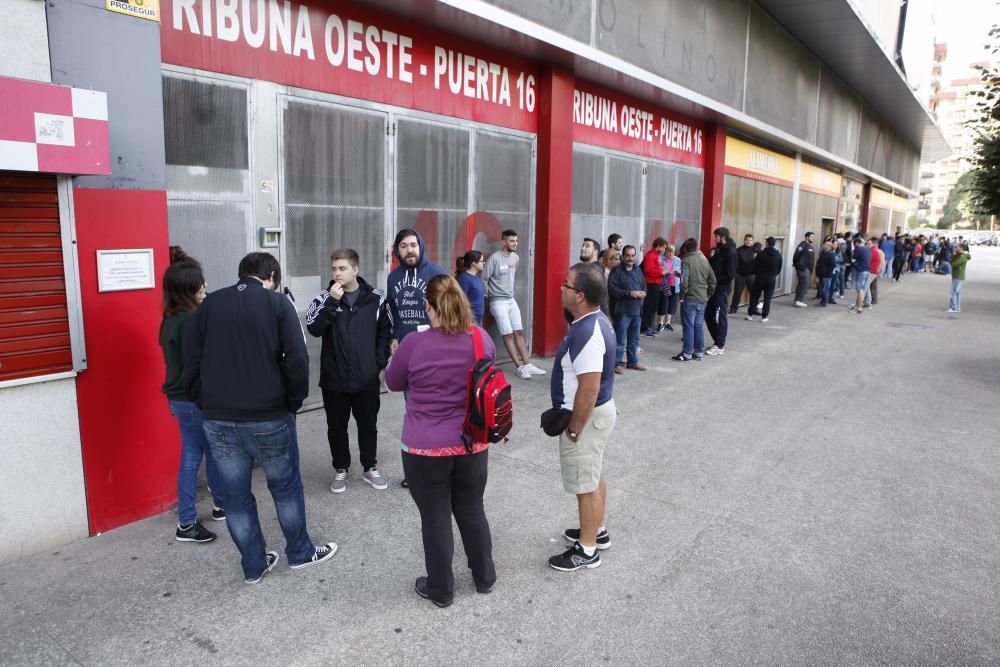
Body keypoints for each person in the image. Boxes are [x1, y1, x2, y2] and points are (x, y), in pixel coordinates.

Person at [184, 252, 336, 584]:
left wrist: (204, 402)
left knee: (236, 498)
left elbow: (192, 361)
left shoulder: (209, 306)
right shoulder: (277, 305)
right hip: (270, 415)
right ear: (271, 276)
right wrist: (292, 403)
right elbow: (297, 359)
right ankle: (300, 553)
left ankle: (254, 565)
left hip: (219, 418)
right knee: (285, 488)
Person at [384, 275, 497, 606]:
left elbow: (392, 381)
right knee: (472, 508)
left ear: (428, 307)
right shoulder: (480, 338)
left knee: (435, 516)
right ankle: (484, 577)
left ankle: (441, 591)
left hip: (425, 447)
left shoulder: (413, 344)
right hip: (472, 443)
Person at [306, 248, 393, 494]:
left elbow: (385, 333)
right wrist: (332, 302)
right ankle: (341, 469)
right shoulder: (325, 297)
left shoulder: (376, 298)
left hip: (366, 379)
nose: (337, 273)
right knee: (336, 427)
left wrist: (376, 364)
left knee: (368, 424)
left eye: (342, 268)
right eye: (334, 268)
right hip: (334, 379)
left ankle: (370, 466)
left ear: (355, 269)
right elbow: (314, 328)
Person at [549, 262, 617, 571]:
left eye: (565, 284)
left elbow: (589, 390)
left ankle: (587, 550)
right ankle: (596, 530)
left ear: (580, 295)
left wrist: (575, 428)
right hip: (595, 415)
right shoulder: (591, 321)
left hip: (587, 417)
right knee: (592, 474)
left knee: (586, 484)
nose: (560, 288)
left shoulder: (589, 331)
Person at [159, 248, 224, 544]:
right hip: (192, 399)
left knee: (207, 452)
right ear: (187, 289)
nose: (205, 287)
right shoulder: (188, 322)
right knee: (192, 458)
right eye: (200, 284)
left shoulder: (171, 318)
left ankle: (221, 504)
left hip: (181, 399)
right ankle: (186, 522)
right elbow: (199, 364)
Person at [387, 228, 449, 488]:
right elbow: (392, 310)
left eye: (413, 244)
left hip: (435, 354)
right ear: (397, 251)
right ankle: (416, 471)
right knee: (414, 411)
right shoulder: (393, 278)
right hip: (407, 355)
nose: (409, 250)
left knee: (439, 410)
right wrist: (392, 336)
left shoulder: (436, 273)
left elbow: (449, 311)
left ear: (421, 246)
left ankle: (442, 468)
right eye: (403, 246)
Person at [483, 229, 545, 380]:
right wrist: (487, 297)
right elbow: (484, 278)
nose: (515, 244)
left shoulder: (515, 258)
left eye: (516, 241)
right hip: (498, 301)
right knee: (508, 334)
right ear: (504, 241)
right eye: (512, 241)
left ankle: (527, 363)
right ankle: (520, 367)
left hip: (511, 300)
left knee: (519, 332)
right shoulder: (495, 259)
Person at [673, 237, 716, 361]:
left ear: (686, 249)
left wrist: (682, 296)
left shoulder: (685, 260)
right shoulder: (704, 260)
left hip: (690, 298)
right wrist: (708, 295)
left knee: (688, 326)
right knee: (698, 326)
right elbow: (713, 280)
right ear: (697, 247)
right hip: (702, 299)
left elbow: (684, 281)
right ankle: (698, 352)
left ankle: (687, 353)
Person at [606, 245, 646, 374]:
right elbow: (613, 290)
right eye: (628, 255)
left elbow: (644, 286)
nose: (630, 258)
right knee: (619, 340)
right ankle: (616, 363)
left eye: (633, 255)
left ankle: (632, 362)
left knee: (634, 339)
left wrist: (644, 293)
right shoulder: (616, 271)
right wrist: (630, 293)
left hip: (637, 311)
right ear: (623, 256)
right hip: (622, 311)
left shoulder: (638, 270)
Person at [705, 227, 735, 356]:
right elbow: (712, 266)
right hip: (713, 289)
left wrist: (714, 279)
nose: (714, 239)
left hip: (722, 289)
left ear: (722, 237)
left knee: (719, 316)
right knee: (708, 315)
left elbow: (729, 274)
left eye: (716, 237)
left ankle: (720, 345)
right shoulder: (719, 250)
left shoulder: (730, 252)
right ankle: (717, 341)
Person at [747, 236, 782, 322]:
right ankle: (764, 317)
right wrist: (773, 275)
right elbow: (779, 268)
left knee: (755, 296)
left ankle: (750, 315)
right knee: (768, 298)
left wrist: (758, 273)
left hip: (760, 278)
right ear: (774, 244)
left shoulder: (761, 254)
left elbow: (755, 266)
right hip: (771, 279)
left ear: (766, 243)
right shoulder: (778, 255)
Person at [640, 238, 667, 337]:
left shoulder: (654, 255)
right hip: (651, 285)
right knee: (649, 308)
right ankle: (644, 328)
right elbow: (649, 270)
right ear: (658, 246)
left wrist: (661, 270)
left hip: (655, 284)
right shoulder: (651, 255)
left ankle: (647, 327)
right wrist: (661, 272)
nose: (664, 249)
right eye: (663, 247)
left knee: (652, 308)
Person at [455, 250, 485, 326]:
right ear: (474, 263)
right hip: (470, 319)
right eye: (482, 261)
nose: (484, 263)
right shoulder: (464, 278)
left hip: (478, 317)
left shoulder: (476, 276)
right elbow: (460, 301)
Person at [658, 243, 682, 332]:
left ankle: (668, 323)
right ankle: (660, 323)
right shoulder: (661, 259)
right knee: (664, 303)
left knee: (672, 304)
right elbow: (659, 271)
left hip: (675, 285)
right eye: (669, 251)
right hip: (665, 285)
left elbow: (680, 273)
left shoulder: (678, 260)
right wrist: (664, 272)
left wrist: (673, 273)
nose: (671, 254)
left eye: (672, 252)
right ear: (666, 251)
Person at [730, 233, 756, 314]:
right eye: (747, 240)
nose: (749, 242)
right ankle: (734, 308)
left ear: (753, 241)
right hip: (740, 275)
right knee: (737, 293)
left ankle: (753, 309)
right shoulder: (739, 250)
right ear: (744, 240)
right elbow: (734, 263)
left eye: (750, 240)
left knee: (753, 293)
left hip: (751, 275)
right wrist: (735, 274)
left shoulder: (756, 250)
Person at [848, 236, 871, 316]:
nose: (854, 246)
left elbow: (853, 260)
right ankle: (857, 306)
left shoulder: (857, 249)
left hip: (860, 271)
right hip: (867, 270)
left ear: (857, 243)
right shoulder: (867, 249)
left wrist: (854, 262)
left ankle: (859, 308)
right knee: (860, 289)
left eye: (854, 244)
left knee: (860, 289)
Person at [793, 231, 816, 307]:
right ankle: (799, 300)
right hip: (803, 268)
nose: (813, 238)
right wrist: (799, 266)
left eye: (814, 237)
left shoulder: (809, 246)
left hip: (807, 269)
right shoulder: (802, 245)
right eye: (812, 237)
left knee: (803, 284)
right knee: (803, 284)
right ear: (807, 237)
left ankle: (798, 300)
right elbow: (796, 256)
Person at [947, 243, 970, 313]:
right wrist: (954, 256)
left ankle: (955, 307)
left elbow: (954, 264)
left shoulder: (962, 256)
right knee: (956, 292)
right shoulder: (960, 255)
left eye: (957, 247)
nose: (955, 248)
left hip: (958, 275)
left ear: (961, 248)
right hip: (957, 275)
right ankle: (955, 306)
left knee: (954, 291)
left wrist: (953, 257)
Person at [864, 237, 883, 307]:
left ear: (873, 244)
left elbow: (869, 260)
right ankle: (868, 301)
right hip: (873, 271)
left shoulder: (873, 251)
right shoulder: (873, 250)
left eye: (869, 244)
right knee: (869, 286)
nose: (867, 245)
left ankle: (866, 301)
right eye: (867, 244)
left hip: (872, 271)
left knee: (866, 287)